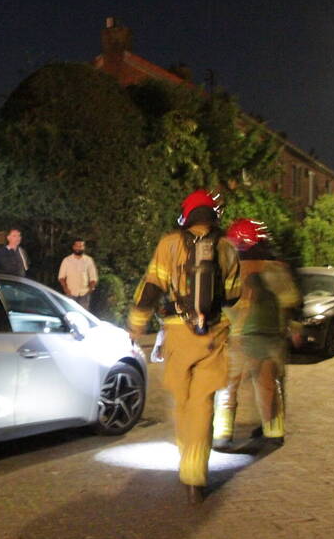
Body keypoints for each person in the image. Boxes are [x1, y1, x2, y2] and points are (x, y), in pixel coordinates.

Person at [127, 189, 240, 505]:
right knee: (204, 403)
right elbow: (233, 295)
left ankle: (185, 456)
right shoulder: (227, 248)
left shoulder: (169, 243)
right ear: (213, 215)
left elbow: (151, 288)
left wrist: (137, 323)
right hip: (213, 334)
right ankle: (195, 473)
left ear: (186, 215)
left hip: (178, 331)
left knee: (183, 400)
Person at [213, 218, 301, 453]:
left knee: (226, 388)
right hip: (269, 339)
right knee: (268, 386)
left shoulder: (227, 267)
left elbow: (219, 302)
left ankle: (222, 435)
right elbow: (289, 299)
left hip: (238, 338)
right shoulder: (274, 267)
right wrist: (289, 327)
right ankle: (273, 433)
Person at [58, 238, 98, 310]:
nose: (79, 248)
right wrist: (65, 288)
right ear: (73, 247)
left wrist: (91, 288)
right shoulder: (67, 260)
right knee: (70, 314)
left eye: (81, 246)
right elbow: (61, 277)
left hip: (84, 294)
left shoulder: (88, 260)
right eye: (77, 246)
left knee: (83, 316)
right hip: (70, 293)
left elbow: (93, 277)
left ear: (84, 247)